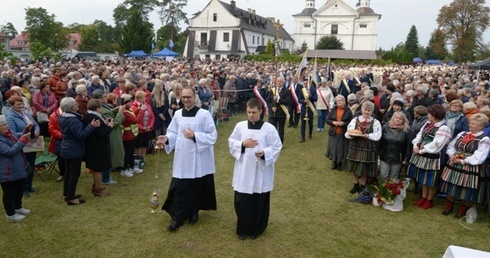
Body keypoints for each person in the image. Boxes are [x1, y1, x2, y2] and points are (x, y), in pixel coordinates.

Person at [156, 86, 218, 232]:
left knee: (196, 185)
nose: (186, 100)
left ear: (194, 97)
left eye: (189, 97)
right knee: (179, 185)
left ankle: (193, 211)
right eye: (184, 97)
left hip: (198, 156)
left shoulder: (203, 114)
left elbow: (212, 135)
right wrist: (166, 138)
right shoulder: (177, 114)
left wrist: (195, 136)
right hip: (182, 156)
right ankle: (177, 216)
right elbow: (173, 132)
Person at [228, 98, 282, 240]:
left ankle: (256, 229)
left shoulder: (269, 128)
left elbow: (276, 146)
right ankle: (243, 229)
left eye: (254, 112)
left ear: (260, 111)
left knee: (259, 200)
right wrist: (242, 144)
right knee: (242, 200)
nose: (251, 115)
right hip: (244, 169)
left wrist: (265, 153)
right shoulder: (240, 126)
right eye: (248, 112)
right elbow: (231, 142)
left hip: (260, 171)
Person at [440, 113, 490, 217]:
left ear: (481, 126)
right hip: (454, 163)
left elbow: (480, 156)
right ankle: (449, 205)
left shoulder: (484, 139)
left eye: (473, 124)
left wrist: (463, 161)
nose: (470, 125)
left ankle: (463, 208)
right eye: (470, 123)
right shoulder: (462, 134)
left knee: (467, 188)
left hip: (470, 166)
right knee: (452, 184)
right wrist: (452, 155)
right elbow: (452, 146)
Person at [408, 104, 451, 210]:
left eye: (429, 114)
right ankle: (423, 197)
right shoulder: (428, 124)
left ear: (435, 115)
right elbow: (419, 136)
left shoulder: (443, 128)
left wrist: (421, 150)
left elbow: (437, 145)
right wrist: (415, 145)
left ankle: (429, 200)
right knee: (423, 177)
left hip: (433, 156)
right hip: (421, 154)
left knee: (431, 179)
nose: (428, 115)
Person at [58, 97, 100, 205]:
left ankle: (67, 193)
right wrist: (91, 126)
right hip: (73, 149)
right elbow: (81, 135)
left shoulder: (63, 116)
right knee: (74, 174)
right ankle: (71, 198)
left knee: (68, 172)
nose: (77, 105)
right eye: (75, 104)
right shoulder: (73, 120)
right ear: (72, 107)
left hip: (66, 148)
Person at [6, 96, 40, 197]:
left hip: (32, 144)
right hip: (22, 146)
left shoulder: (26, 113)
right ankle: (22, 188)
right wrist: (26, 134)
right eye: (18, 104)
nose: (21, 106)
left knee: (31, 165)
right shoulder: (10, 117)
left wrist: (37, 131)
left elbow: (36, 124)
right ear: (12, 106)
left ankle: (29, 185)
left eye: (21, 104)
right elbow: (13, 134)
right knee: (23, 167)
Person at [345, 101, 382, 193]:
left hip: (368, 146)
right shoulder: (355, 120)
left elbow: (378, 135)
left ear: (372, 111)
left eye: (369, 110)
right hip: (355, 145)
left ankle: (363, 185)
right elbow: (348, 131)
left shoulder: (375, 122)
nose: (366, 112)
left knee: (365, 167)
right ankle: (356, 184)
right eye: (365, 110)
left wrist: (368, 136)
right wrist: (352, 135)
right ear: (361, 109)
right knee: (354, 165)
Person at [0, 115, 31, 221]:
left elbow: (18, 137)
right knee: (9, 193)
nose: (7, 126)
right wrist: (23, 140)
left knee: (20, 188)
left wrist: (25, 131)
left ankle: (18, 207)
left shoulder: (8, 134)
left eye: (6, 124)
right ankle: (10, 215)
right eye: (4, 125)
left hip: (17, 167)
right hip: (7, 171)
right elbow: (10, 151)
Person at [82, 99, 114, 196]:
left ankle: (96, 185)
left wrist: (104, 123)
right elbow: (101, 135)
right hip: (97, 147)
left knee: (96, 168)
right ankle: (98, 189)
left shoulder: (87, 115)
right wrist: (109, 127)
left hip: (91, 146)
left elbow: (96, 130)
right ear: (97, 108)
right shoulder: (95, 118)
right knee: (98, 169)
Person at [378, 111, 412, 180]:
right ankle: (382, 190)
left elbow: (409, 145)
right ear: (393, 118)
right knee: (383, 175)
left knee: (394, 177)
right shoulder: (384, 128)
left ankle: (392, 190)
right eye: (396, 117)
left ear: (403, 120)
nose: (398, 119)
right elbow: (379, 142)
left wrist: (406, 158)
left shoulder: (407, 131)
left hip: (398, 158)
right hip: (385, 156)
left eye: (400, 118)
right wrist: (378, 153)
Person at [100, 93, 125, 185]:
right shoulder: (102, 110)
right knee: (110, 154)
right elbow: (115, 123)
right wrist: (120, 112)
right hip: (110, 134)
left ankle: (107, 175)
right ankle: (106, 177)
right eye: (103, 97)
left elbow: (110, 113)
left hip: (111, 134)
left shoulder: (104, 107)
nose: (105, 98)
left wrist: (115, 110)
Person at [326, 95, 353, 170]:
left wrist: (343, 124)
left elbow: (351, 122)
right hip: (333, 133)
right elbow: (327, 120)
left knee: (341, 149)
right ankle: (334, 162)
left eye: (340, 100)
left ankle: (340, 163)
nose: (339, 102)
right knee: (334, 148)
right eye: (337, 101)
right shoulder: (333, 110)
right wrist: (333, 122)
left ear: (344, 101)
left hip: (343, 133)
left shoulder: (348, 111)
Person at [120, 94, 144, 178]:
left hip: (131, 134)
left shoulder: (127, 109)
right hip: (127, 135)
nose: (131, 102)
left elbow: (133, 114)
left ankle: (131, 166)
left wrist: (138, 110)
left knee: (130, 152)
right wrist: (141, 111)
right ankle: (125, 168)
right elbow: (135, 120)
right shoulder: (124, 112)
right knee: (127, 153)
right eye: (130, 100)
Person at [131, 91, 155, 166]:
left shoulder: (147, 105)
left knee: (145, 144)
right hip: (139, 130)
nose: (146, 98)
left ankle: (143, 158)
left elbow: (152, 117)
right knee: (139, 145)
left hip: (147, 128)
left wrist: (150, 126)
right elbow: (134, 119)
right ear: (139, 98)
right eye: (144, 97)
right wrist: (142, 128)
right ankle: (139, 159)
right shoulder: (134, 106)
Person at [267, 77, 291, 143]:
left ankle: (280, 143)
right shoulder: (273, 90)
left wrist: (278, 100)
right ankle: (272, 142)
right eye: (278, 81)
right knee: (272, 129)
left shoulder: (286, 91)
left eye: (280, 81)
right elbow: (268, 101)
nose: (279, 82)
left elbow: (288, 101)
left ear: (283, 82)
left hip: (281, 113)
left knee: (281, 130)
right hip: (273, 113)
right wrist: (271, 107)